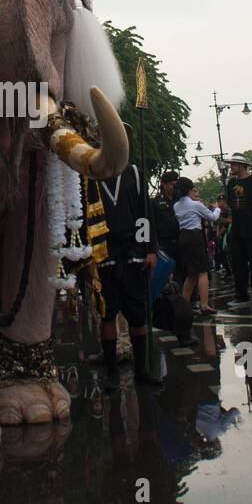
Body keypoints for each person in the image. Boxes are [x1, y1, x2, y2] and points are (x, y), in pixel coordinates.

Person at [95, 157, 162, 391]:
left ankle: (141, 370)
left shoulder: (133, 172)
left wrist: (150, 250)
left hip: (134, 253)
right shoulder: (90, 172)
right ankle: (112, 373)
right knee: (107, 314)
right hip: (103, 255)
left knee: (137, 314)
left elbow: (146, 213)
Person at [224, 154, 252, 309]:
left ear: (242, 165)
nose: (231, 166)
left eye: (234, 164)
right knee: (238, 265)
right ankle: (241, 296)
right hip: (237, 230)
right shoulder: (231, 183)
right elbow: (231, 205)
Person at [173, 177, 220, 315]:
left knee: (191, 273)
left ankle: (184, 304)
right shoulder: (195, 204)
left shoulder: (176, 206)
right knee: (202, 271)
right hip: (195, 237)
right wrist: (217, 209)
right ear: (189, 189)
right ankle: (204, 305)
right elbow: (212, 217)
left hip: (183, 237)